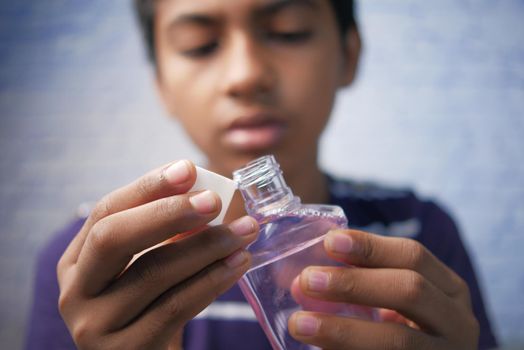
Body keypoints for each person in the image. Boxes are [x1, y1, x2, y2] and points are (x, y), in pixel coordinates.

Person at [25, 0, 497, 349]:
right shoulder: (95, 269)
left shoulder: (420, 235)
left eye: (288, 31)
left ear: (350, 54)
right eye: (200, 45)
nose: (246, 75)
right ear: (161, 85)